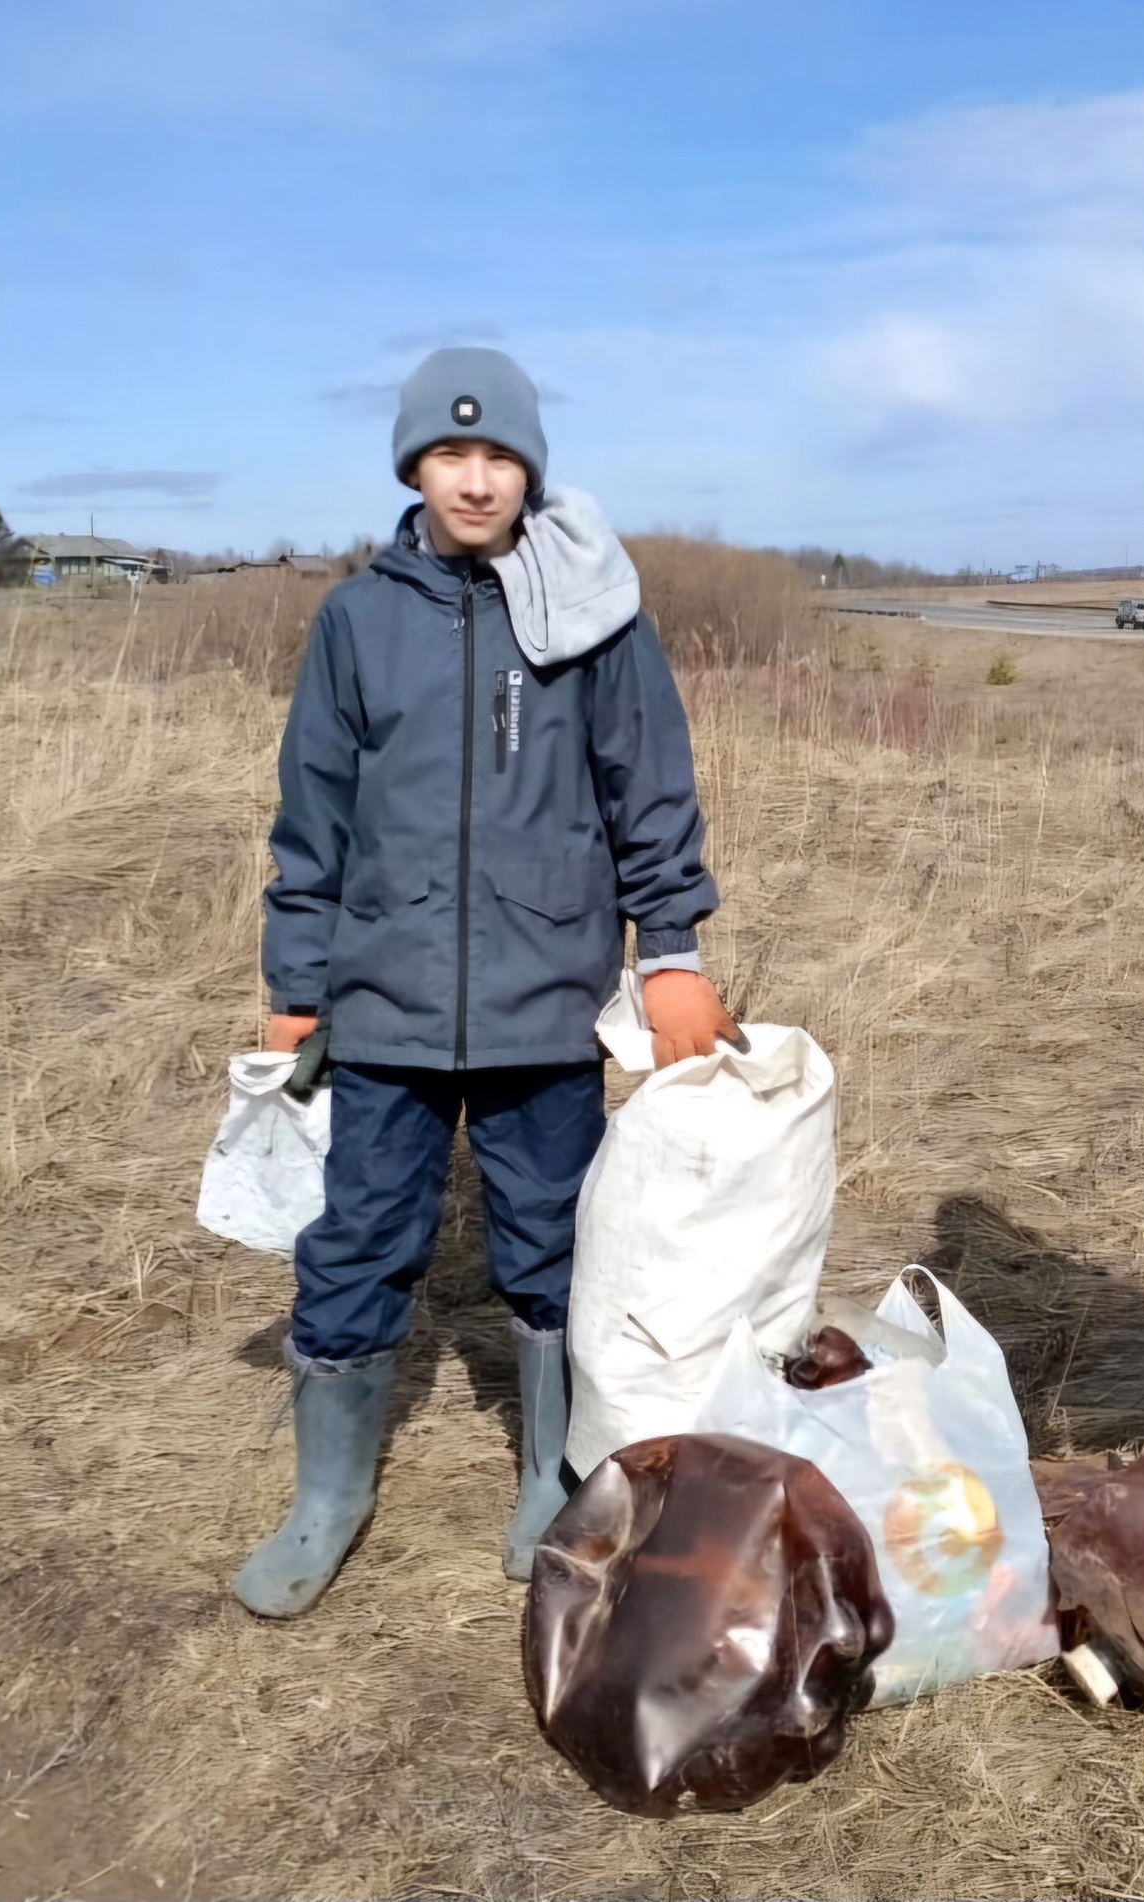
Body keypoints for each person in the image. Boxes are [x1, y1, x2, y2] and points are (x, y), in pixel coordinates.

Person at [232, 347, 738, 1618]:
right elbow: (314, 821)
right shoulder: (358, 620)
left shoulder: (591, 613)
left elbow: (649, 790)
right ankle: (328, 1498)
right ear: (414, 465)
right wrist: (299, 987)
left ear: (530, 472)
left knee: (554, 1246)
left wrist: (669, 953)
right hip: (385, 1002)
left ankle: (552, 1477)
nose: (476, 479)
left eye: (500, 456)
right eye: (452, 455)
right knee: (356, 1244)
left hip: (546, 996)